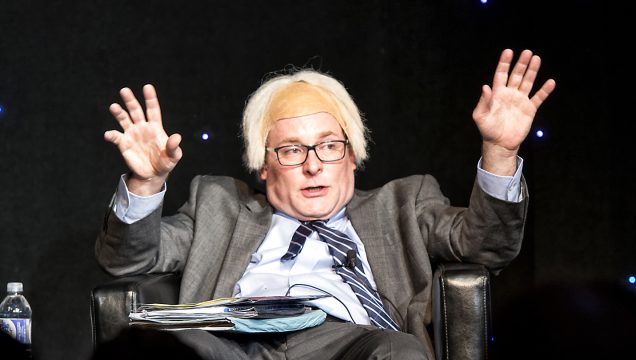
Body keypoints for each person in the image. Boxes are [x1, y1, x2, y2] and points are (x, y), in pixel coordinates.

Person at [96, 49, 555, 359]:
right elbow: (125, 260)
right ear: (264, 166)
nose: (313, 165)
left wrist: (500, 152)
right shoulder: (217, 204)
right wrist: (146, 180)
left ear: (352, 156)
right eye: (292, 150)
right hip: (228, 345)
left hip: (351, 342)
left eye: (329, 146)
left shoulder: (405, 202)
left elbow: (488, 247)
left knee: (400, 354)